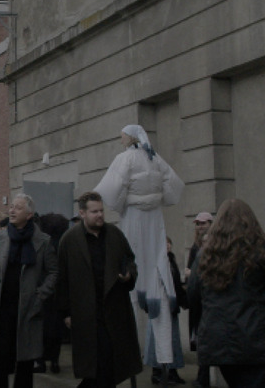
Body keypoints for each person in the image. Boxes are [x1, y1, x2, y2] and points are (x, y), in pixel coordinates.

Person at [92, 124, 184, 371]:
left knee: (132, 263)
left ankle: (130, 351)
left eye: (122, 136)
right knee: (157, 264)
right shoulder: (155, 158)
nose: (120, 140)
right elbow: (173, 187)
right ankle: (164, 355)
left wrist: (123, 202)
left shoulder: (125, 159)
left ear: (130, 137)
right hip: (155, 219)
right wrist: (156, 197)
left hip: (134, 217)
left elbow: (111, 192)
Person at [187, 199, 265, 388]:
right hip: (258, 340)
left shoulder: (204, 256)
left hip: (220, 340)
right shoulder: (262, 252)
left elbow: (192, 296)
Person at [57, 191, 142, 387]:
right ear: (82, 213)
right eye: (94, 212)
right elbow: (62, 279)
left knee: (110, 363)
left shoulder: (114, 234)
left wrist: (129, 274)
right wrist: (66, 312)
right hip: (86, 313)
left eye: (101, 211)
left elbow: (129, 260)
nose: (100, 215)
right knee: (96, 366)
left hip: (114, 309)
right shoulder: (69, 240)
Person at [0, 194, 59, 388]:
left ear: (29, 215)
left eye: (17, 208)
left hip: (27, 309)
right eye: (11, 207)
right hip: (0, 309)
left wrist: (40, 295)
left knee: (24, 362)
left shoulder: (43, 241)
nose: (11, 211)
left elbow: (54, 272)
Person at [145, 236, 187, 384]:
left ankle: (172, 372)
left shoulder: (171, 261)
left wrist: (182, 300)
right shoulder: (155, 262)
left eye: (169, 243)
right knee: (157, 340)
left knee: (172, 340)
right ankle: (158, 372)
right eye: (164, 243)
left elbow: (175, 284)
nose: (167, 245)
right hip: (158, 308)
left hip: (171, 307)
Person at [36, 213, 70, 374]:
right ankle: (55, 361)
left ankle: (41, 361)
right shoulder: (64, 243)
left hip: (44, 290)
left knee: (42, 329)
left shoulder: (43, 243)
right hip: (59, 293)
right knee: (56, 330)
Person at [185, 211, 213, 388]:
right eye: (198, 223)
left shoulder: (215, 246)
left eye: (203, 223)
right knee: (200, 338)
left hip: (209, 300)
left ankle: (203, 377)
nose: (200, 227)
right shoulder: (195, 247)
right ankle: (203, 376)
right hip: (199, 301)